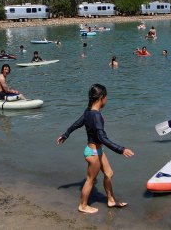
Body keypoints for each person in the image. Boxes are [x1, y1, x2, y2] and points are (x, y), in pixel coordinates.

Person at [56, 84, 134, 214]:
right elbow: (102, 138)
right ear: (102, 98)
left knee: (109, 173)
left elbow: (76, 124)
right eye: (106, 97)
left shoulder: (88, 112)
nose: (107, 100)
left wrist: (65, 135)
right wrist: (121, 149)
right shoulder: (96, 115)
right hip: (93, 153)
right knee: (90, 180)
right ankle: (83, 205)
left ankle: (111, 200)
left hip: (97, 151)